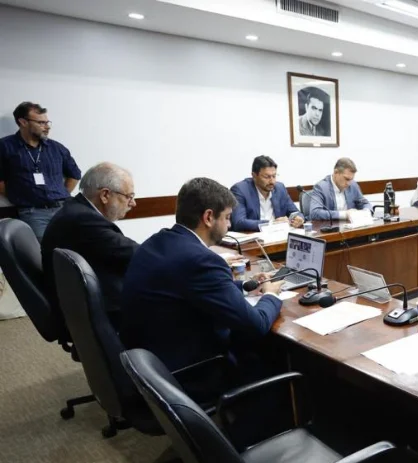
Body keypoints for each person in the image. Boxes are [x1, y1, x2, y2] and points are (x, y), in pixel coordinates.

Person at [121, 176, 284, 372]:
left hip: (149, 365)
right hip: (190, 371)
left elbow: (191, 288)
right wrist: (271, 294)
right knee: (271, 352)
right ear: (208, 217)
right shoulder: (202, 261)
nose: (230, 225)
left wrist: (245, 286)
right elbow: (257, 324)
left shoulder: (156, 241)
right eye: (227, 217)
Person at [41, 162, 138, 330]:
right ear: (105, 195)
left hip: (78, 299)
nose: (133, 203)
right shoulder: (83, 220)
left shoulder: (76, 210)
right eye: (129, 196)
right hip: (101, 308)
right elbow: (132, 253)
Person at [0, 101, 81, 240]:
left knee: (73, 248)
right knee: (44, 253)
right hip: (33, 212)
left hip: (63, 209)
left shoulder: (56, 148)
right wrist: (20, 196)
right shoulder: (6, 146)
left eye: (47, 122)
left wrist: (61, 194)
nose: (47, 127)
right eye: (41, 123)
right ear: (23, 122)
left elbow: (75, 174)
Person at [230, 155, 303, 231]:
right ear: (254, 176)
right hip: (254, 237)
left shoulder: (280, 188)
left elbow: (295, 212)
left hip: (278, 235)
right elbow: (239, 222)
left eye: (274, 176)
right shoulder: (240, 190)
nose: (272, 181)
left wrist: (299, 218)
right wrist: (271, 224)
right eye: (267, 177)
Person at [307, 158, 373, 221]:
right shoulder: (321, 187)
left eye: (351, 179)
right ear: (336, 172)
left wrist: (366, 211)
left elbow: (364, 203)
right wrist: (344, 215)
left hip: (351, 228)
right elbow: (315, 213)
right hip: (331, 229)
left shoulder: (353, 185)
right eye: (346, 179)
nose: (349, 183)